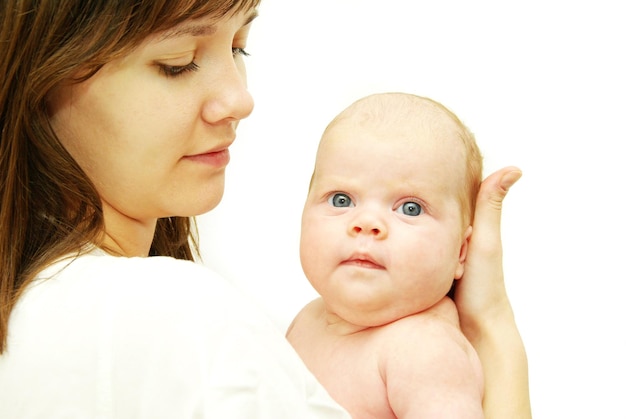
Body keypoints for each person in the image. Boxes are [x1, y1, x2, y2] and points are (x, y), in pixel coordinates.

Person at [0, 1, 530, 418]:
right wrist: (492, 329)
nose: (239, 98)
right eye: (178, 64)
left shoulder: (29, 305)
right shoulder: (174, 315)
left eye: (239, 48)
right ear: (43, 78)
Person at [287, 92, 522, 418]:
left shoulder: (424, 350)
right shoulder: (307, 320)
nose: (366, 224)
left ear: (461, 252)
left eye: (410, 208)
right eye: (341, 200)